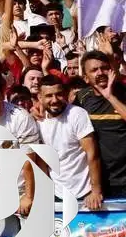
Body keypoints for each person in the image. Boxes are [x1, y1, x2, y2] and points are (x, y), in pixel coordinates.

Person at [38, 76, 102, 209]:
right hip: (56, 193)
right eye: (49, 96)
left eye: (59, 94)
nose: (55, 100)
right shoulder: (37, 121)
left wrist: (96, 190)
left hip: (85, 193)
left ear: (65, 93)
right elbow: (42, 160)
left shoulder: (77, 114)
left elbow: (92, 154)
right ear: (40, 97)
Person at [71, 50, 126, 198]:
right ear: (85, 78)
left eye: (104, 68)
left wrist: (110, 97)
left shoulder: (123, 92)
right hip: (97, 180)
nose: (100, 73)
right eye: (94, 70)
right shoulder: (82, 98)